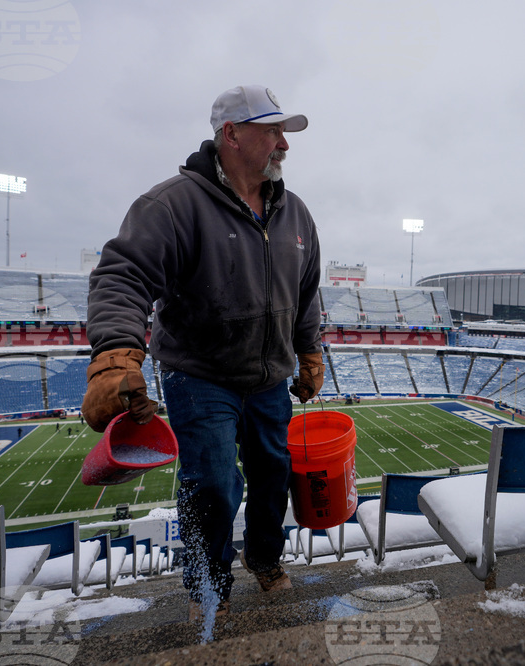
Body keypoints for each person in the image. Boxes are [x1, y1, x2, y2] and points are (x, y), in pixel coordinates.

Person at [82, 85, 324, 619]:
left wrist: (309, 354)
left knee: (273, 478)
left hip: (269, 379)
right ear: (231, 135)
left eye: (285, 133)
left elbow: (306, 294)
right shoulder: (171, 204)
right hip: (200, 376)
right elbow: (123, 277)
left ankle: (265, 559)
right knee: (212, 484)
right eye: (272, 131)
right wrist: (117, 355)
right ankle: (207, 585)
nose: (284, 144)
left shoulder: (297, 215)